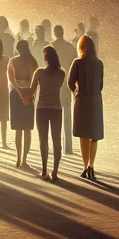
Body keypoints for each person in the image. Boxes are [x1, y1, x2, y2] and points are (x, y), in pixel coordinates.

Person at [68, 33, 105, 180]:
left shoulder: (77, 62)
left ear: (81, 47)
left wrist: (76, 91)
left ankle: (84, 167)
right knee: (94, 135)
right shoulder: (99, 63)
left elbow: (70, 82)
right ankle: (92, 166)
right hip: (96, 101)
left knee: (83, 134)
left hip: (82, 100)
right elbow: (101, 85)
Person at [33, 45, 67, 180]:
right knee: (56, 140)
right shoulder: (62, 73)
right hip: (56, 109)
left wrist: (22, 94)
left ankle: (44, 170)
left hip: (41, 108)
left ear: (45, 58)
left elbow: (32, 90)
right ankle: (55, 172)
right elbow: (57, 88)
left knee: (43, 140)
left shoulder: (39, 72)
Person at [8, 39, 38, 169]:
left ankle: (18, 158)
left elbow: (11, 79)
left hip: (16, 93)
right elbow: (35, 81)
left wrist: (19, 92)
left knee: (18, 129)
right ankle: (24, 159)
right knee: (26, 128)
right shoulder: (33, 61)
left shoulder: (13, 61)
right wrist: (30, 94)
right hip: (28, 92)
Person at [51, 25, 77, 154]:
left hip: (54, 83)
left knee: (55, 114)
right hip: (67, 82)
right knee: (67, 114)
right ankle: (68, 147)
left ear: (55, 33)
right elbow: (75, 63)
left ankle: (56, 146)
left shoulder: (51, 46)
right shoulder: (69, 47)